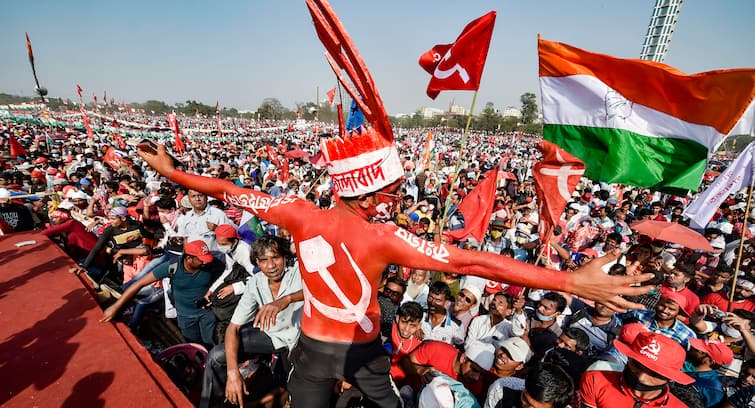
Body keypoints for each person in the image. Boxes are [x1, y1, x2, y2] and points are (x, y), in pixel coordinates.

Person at [136, 5, 649, 406]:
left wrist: (172, 172)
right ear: (365, 191)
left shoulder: (295, 210)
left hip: (316, 354)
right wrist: (567, 281)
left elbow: (228, 192)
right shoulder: (381, 237)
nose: (396, 202)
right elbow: (469, 261)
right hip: (355, 353)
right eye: (389, 194)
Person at [201, 235, 304, 407]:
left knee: (295, 388)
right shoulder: (255, 283)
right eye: (263, 260)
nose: (271, 266)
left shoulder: (299, 271)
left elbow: (321, 292)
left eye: (276, 258)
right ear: (256, 262)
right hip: (273, 336)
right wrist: (233, 373)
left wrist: (287, 299)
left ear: (285, 257)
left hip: (303, 338)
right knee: (216, 356)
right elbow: (233, 327)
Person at [100, 240, 222, 348]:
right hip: (185, 316)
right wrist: (116, 306)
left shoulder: (212, 264)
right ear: (189, 258)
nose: (205, 263)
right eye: (201, 260)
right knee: (195, 345)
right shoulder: (172, 267)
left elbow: (226, 276)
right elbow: (139, 284)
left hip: (207, 314)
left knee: (211, 342)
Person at [579, 332, 693, 407]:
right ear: (628, 359)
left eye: (654, 374)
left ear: (670, 378)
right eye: (637, 366)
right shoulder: (595, 380)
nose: (642, 378)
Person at [685, 338, 734, 407]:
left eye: (700, 350)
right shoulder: (682, 363)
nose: (693, 348)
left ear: (710, 361)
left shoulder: (714, 390)